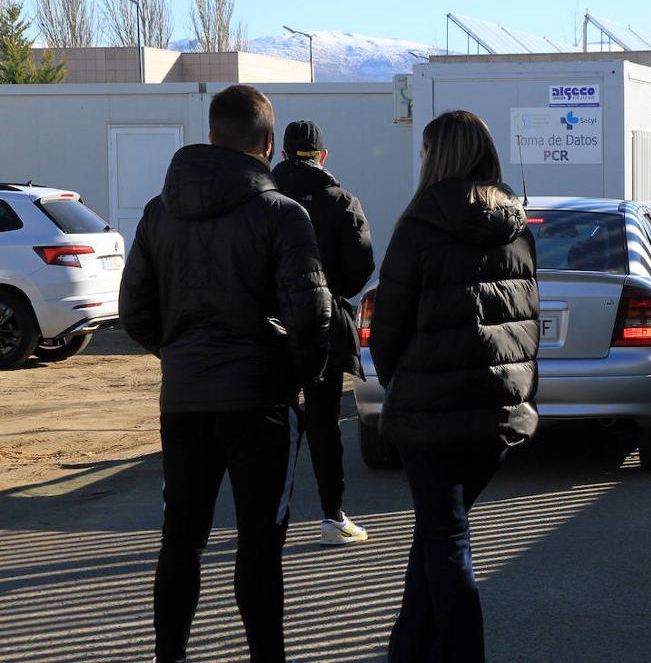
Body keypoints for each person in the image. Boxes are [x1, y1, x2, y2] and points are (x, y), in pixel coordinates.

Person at [120, 84, 331, 663]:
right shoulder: (284, 215)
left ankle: (170, 657)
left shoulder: (160, 211)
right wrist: (298, 374)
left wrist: (179, 353)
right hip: (260, 399)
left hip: (185, 398)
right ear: (268, 144)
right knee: (260, 545)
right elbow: (311, 316)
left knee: (181, 539)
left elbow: (134, 307)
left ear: (212, 136)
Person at [370, 110, 539, 663]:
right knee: (438, 536)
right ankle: (407, 650)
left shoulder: (418, 225)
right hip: (496, 413)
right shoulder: (517, 227)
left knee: (444, 541)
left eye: (424, 152)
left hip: (430, 413)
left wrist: (403, 383)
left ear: (436, 156)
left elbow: (387, 329)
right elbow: (528, 321)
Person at [273, 120, 375, 546]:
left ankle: (267, 514)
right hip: (323, 320)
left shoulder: (263, 198)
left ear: (281, 153)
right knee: (323, 422)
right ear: (323, 156)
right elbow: (361, 267)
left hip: (270, 324)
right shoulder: (341, 201)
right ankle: (333, 516)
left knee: (272, 419)